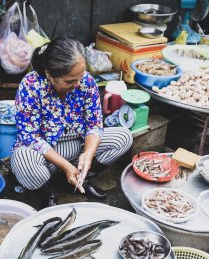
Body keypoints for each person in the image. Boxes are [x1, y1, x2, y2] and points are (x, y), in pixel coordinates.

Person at [10, 37, 133, 208]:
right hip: (44, 155)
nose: (77, 84)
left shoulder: (87, 82)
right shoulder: (30, 85)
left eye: (80, 77)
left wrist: (88, 155)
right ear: (49, 74)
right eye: (69, 81)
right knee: (24, 161)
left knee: (124, 137)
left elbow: (95, 125)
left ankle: (80, 178)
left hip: (77, 148)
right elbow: (30, 136)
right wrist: (64, 165)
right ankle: (49, 189)